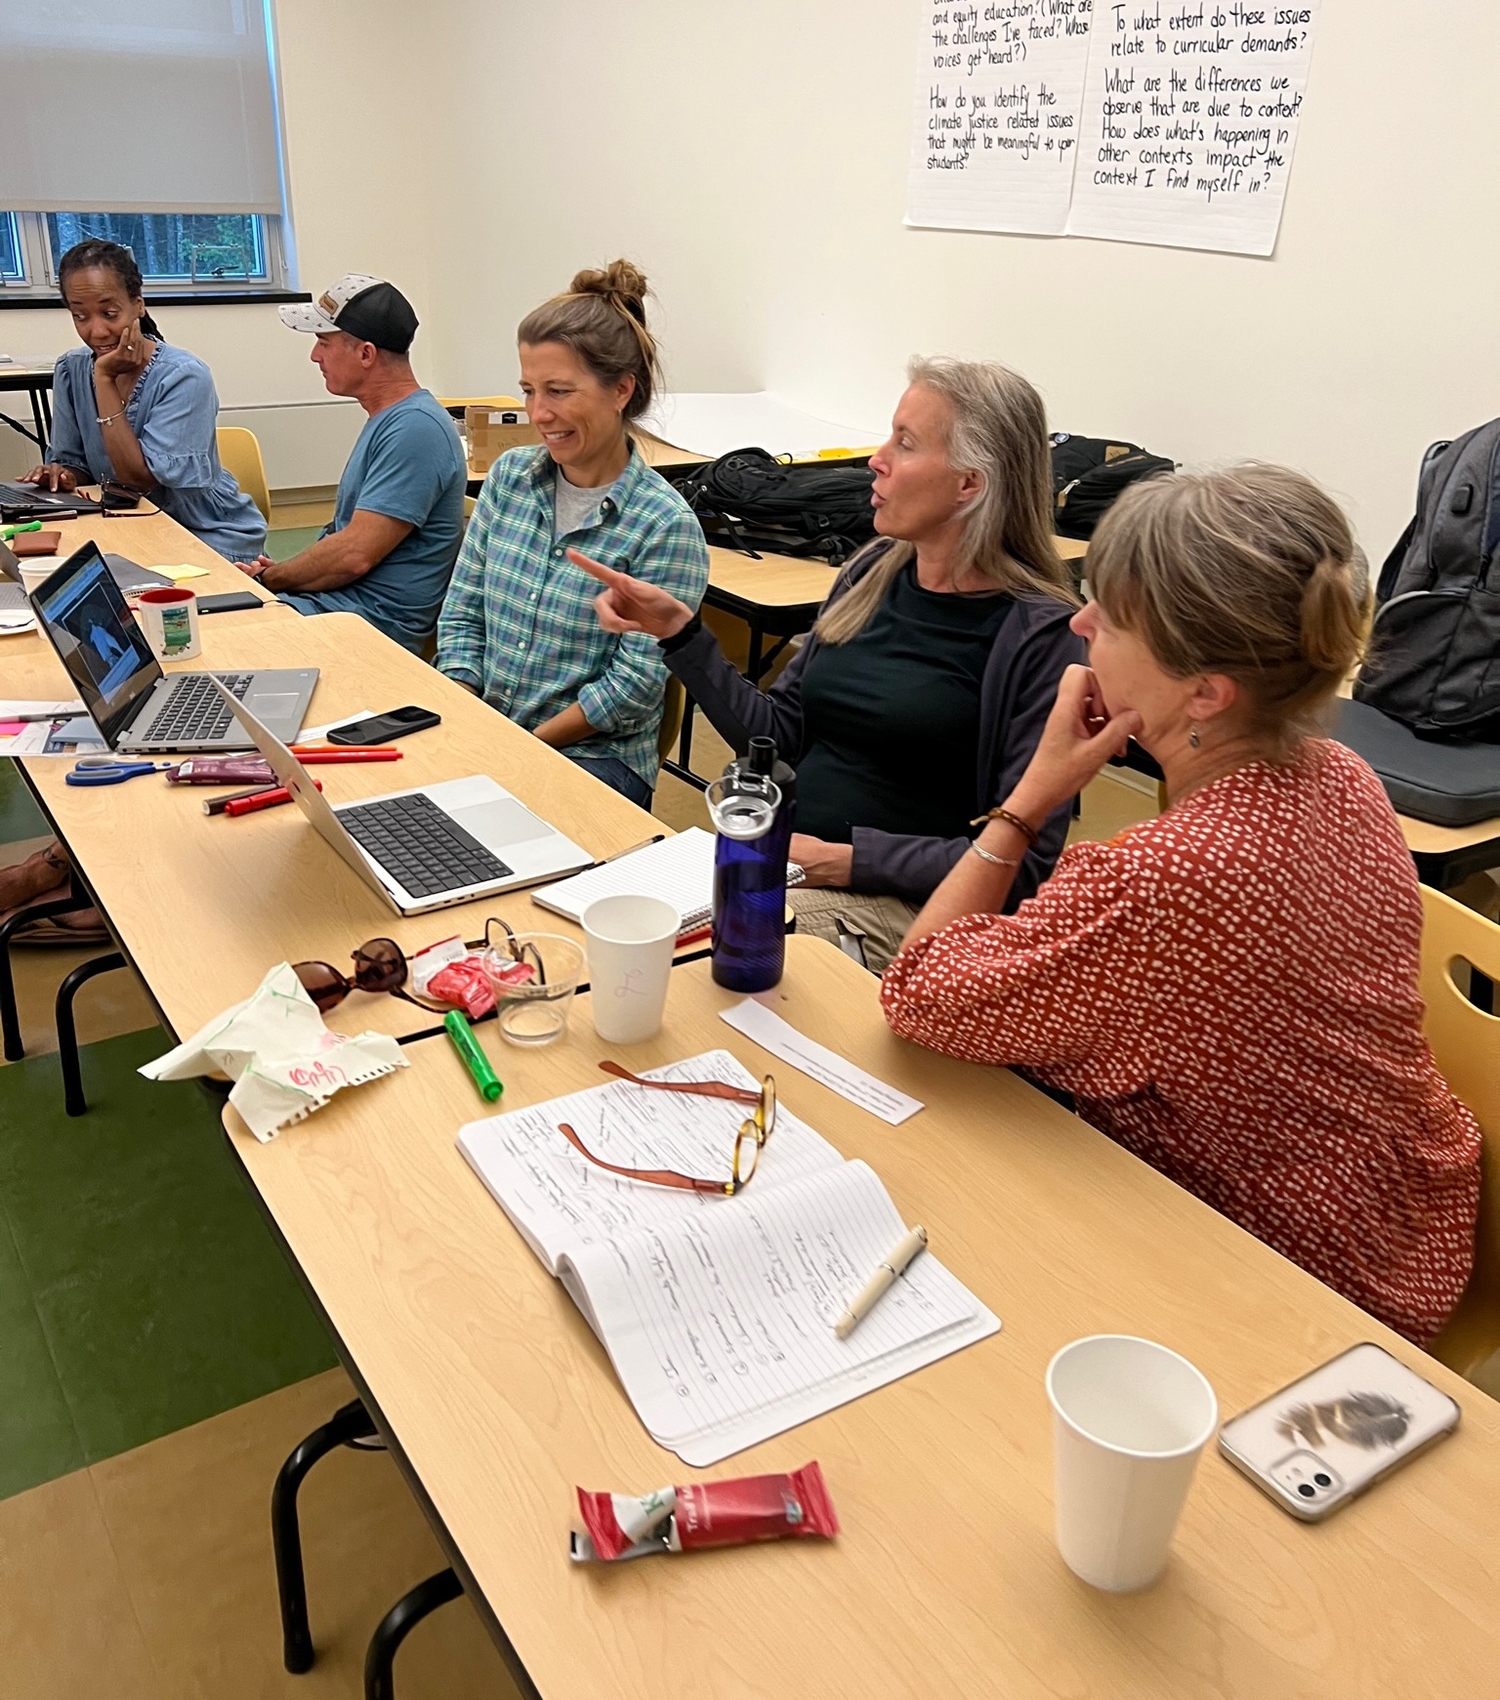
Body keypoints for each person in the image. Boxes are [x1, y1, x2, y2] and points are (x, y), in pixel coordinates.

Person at [880, 463, 1481, 1344]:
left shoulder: (1162, 881)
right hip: (1406, 1215)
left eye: (1111, 619)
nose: (1080, 623)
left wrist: (1032, 795)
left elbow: (918, 990)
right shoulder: (1340, 774)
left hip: (1291, 1282)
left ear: (1205, 691)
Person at [575, 357, 1079, 970]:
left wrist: (847, 860)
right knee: (604, 914)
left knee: (692, 960)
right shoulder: (873, 572)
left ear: (969, 483)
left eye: (906, 442)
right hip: (794, 864)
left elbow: (1022, 862)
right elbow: (777, 736)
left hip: (912, 905)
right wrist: (681, 633)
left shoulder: (1042, 635)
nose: (877, 457)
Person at [436, 261, 708, 807]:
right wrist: (465, 712)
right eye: (529, 390)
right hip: (492, 734)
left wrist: (517, 749)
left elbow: (631, 689)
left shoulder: (664, 525)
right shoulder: (509, 479)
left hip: (593, 760)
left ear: (621, 391)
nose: (539, 413)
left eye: (559, 391)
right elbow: (463, 613)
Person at [240, 276, 465, 654]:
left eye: (324, 342)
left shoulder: (415, 428)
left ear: (365, 354)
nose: (315, 356)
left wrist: (269, 578)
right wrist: (287, 574)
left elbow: (353, 555)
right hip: (340, 607)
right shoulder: (391, 419)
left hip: (366, 629)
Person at [25, 239, 266, 562]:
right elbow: (75, 462)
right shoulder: (71, 369)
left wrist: (105, 380)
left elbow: (137, 480)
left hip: (203, 532)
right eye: (80, 316)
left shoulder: (183, 376)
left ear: (138, 305)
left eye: (110, 313)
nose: (96, 331)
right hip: (126, 524)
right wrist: (62, 474)